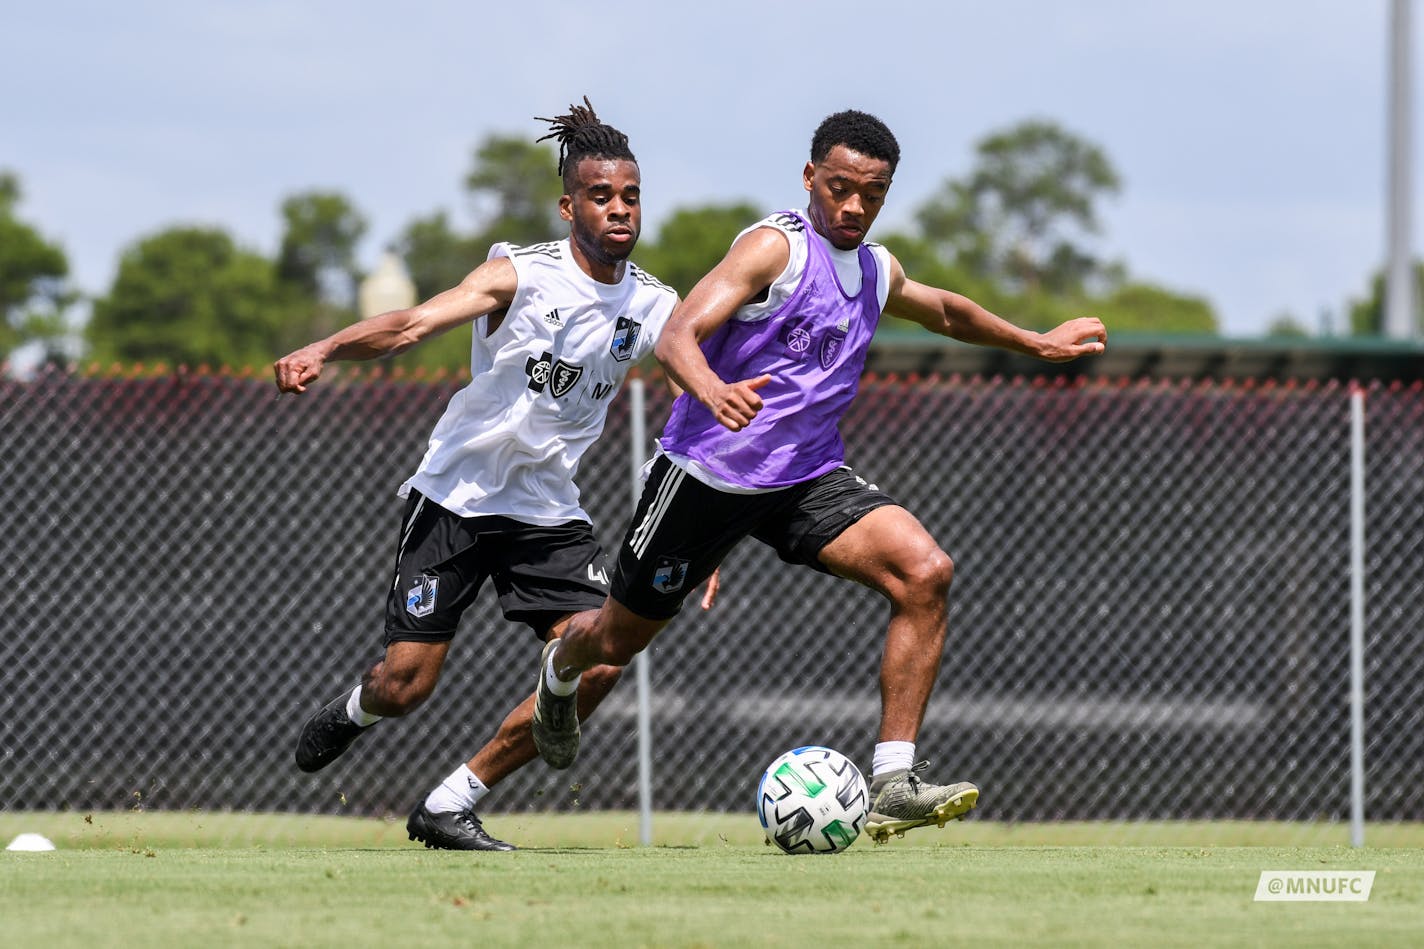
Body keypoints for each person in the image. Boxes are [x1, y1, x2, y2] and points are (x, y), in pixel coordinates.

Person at [531, 109, 1108, 843]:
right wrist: (713, 391)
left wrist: (1033, 340)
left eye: (872, 193)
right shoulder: (773, 249)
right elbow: (678, 334)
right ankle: (560, 667)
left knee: (925, 571)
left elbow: (943, 310)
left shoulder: (873, 268)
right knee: (614, 640)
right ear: (811, 179)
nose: (855, 206)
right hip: (706, 475)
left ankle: (893, 780)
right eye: (840, 188)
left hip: (805, 478)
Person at [274, 99, 686, 851]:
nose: (620, 209)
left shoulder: (655, 304)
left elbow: (697, 390)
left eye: (630, 196)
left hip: (548, 512)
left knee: (605, 657)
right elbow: (408, 324)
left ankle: (451, 800)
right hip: (458, 497)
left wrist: (700, 525)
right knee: (407, 684)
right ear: (570, 206)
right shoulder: (519, 276)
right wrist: (326, 347)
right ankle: (354, 710)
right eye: (601, 196)